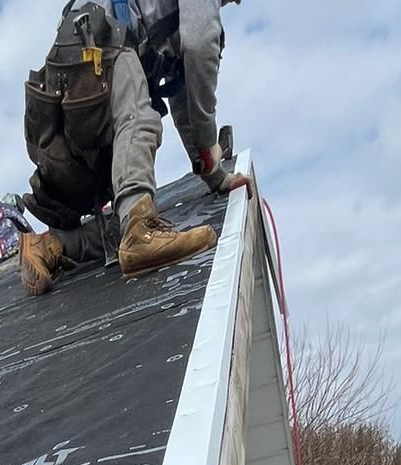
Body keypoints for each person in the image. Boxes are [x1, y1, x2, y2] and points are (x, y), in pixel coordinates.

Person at [19, 0, 251, 295]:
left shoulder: (170, 23)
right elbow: (199, 45)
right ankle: (140, 236)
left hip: (77, 68)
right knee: (141, 120)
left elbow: (183, 95)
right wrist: (208, 145)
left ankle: (51, 245)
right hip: (101, 41)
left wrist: (214, 176)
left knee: (128, 208)